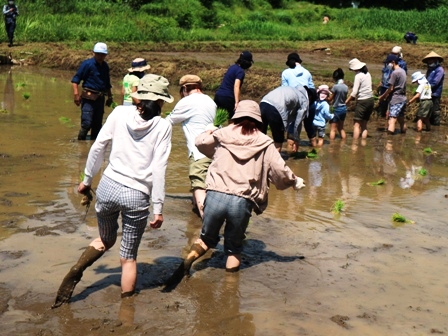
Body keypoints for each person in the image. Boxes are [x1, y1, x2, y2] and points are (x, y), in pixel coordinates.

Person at [52, 74, 174, 308]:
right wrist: (158, 208)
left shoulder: (119, 113)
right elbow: (159, 167)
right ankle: (126, 312)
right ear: (160, 101)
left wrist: (87, 180)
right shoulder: (163, 126)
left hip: (108, 187)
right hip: (136, 194)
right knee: (128, 258)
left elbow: (98, 146)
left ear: (138, 96)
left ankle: (77, 269)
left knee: (106, 239)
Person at [165, 100, 305, 286]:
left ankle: (189, 259)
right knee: (233, 248)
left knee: (206, 239)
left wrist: (211, 131)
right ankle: (230, 290)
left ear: (236, 116)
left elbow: (200, 142)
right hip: (241, 200)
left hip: (214, 195)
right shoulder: (265, 142)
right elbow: (280, 170)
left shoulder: (222, 133)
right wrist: (295, 181)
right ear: (258, 119)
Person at [165, 75, 217, 218]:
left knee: (199, 185)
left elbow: (167, 122)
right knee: (209, 185)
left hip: (199, 152)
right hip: (216, 151)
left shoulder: (187, 101)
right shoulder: (210, 101)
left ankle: (207, 228)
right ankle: (196, 217)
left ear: (185, 89)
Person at [71, 42, 113, 141]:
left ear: (106, 55)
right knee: (86, 123)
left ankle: (93, 146)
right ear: (93, 53)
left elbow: (107, 83)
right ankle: (81, 143)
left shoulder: (105, 66)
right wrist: (76, 94)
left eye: (102, 54)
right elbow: (76, 80)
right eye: (98, 54)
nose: (100, 56)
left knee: (97, 125)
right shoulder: (87, 64)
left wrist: (110, 97)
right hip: (89, 98)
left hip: (100, 98)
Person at [259, 85, 309, 152]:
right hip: (276, 108)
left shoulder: (289, 89)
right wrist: (296, 140)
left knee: (260, 134)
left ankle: (258, 157)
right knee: (278, 139)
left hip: (262, 103)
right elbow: (298, 122)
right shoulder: (303, 99)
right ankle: (274, 160)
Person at [214, 51, 253, 119]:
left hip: (218, 96)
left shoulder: (232, 67)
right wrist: (237, 102)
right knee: (234, 120)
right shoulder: (240, 71)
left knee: (218, 119)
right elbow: (236, 86)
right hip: (227, 98)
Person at [345, 58, 374, 139]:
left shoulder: (358, 76)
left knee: (356, 124)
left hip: (363, 101)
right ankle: (362, 143)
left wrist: (346, 101)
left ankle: (355, 145)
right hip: (370, 100)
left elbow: (354, 93)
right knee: (364, 124)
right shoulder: (368, 74)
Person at [379, 55, 407, 135]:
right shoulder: (403, 71)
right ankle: (403, 136)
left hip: (396, 98)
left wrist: (382, 96)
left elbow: (390, 88)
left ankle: (389, 141)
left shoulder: (395, 73)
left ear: (393, 62)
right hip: (403, 98)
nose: (387, 65)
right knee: (401, 119)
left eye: (388, 63)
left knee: (392, 119)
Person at [423, 51, 444, 126]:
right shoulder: (430, 69)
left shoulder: (440, 70)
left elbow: (435, 82)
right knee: (428, 109)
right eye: (429, 60)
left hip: (435, 93)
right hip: (427, 92)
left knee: (435, 109)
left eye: (431, 60)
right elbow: (426, 79)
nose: (429, 61)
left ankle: (436, 124)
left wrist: (425, 88)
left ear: (435, 60)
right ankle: (429, 124)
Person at [329, 68, 348, 140]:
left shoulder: (335, 87)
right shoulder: (346, 87)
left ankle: (331, 147)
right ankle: (343, 143)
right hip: (343, 109)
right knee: (341, 128)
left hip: (336, 108)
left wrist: (325, 98)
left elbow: (330, 99)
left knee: (333, 129)